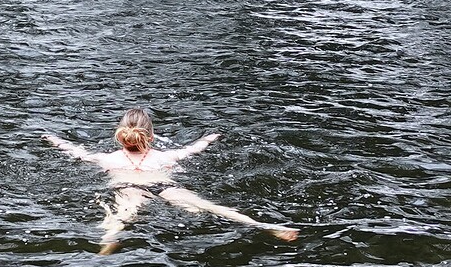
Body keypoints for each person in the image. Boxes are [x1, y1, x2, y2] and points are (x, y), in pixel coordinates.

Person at [44, 108, 299, 253]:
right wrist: (210, 138)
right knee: (212, 207)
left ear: (120, 136)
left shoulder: (106, 159)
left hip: (127, 186)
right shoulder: (166, 156)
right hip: (165, 185)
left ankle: (108, 241)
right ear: (151, 136)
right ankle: (266, 226)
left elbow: (75, 152)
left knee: (123, 215)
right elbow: (194, 149)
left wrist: (54, 140)